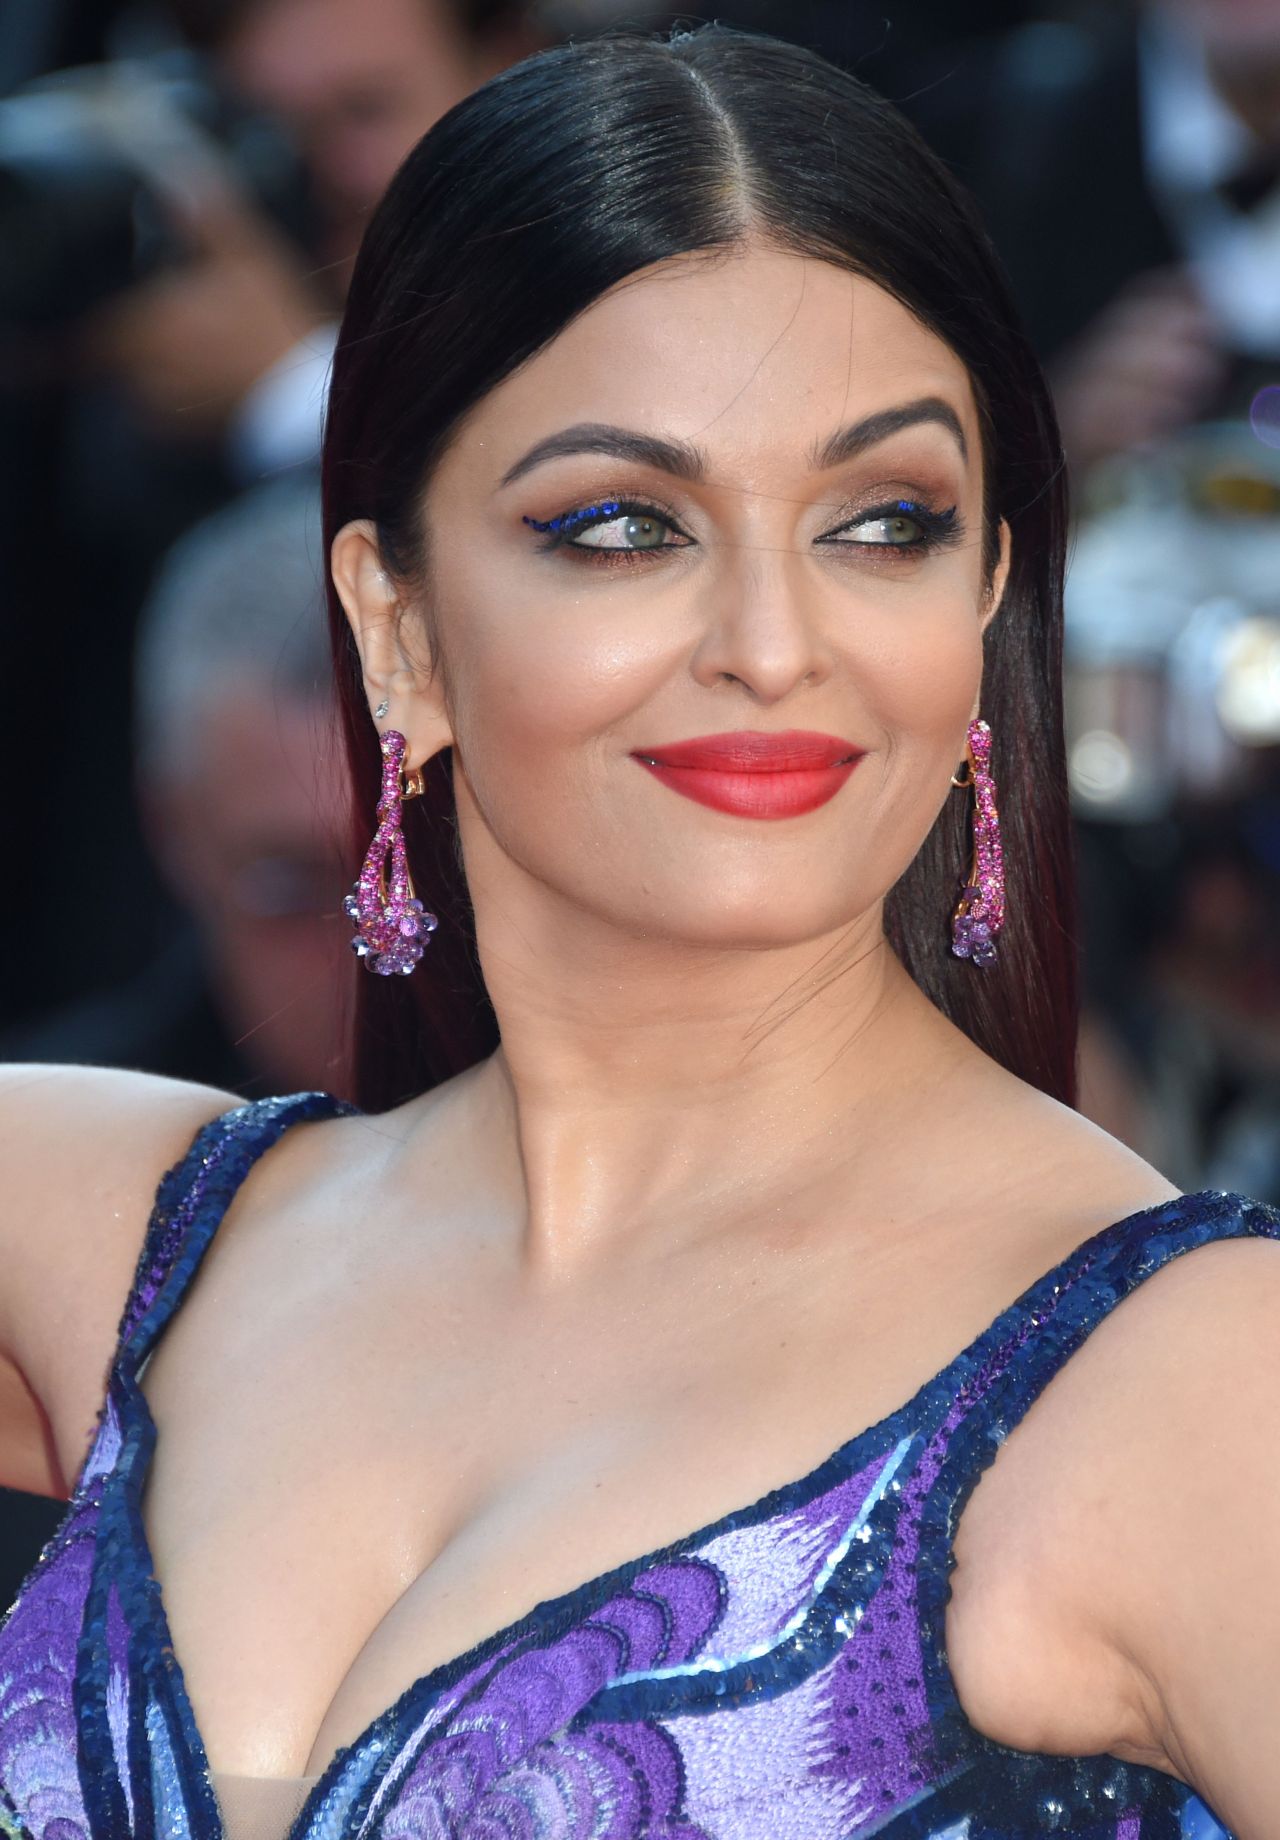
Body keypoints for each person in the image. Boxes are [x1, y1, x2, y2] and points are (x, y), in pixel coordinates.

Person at [0, 26, 1276, 1840]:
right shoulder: (103, 1235)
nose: (774, 638)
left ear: (988, 594)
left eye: (885, 522)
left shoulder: (1191, 1385)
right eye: (621, 526)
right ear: (400, 628)